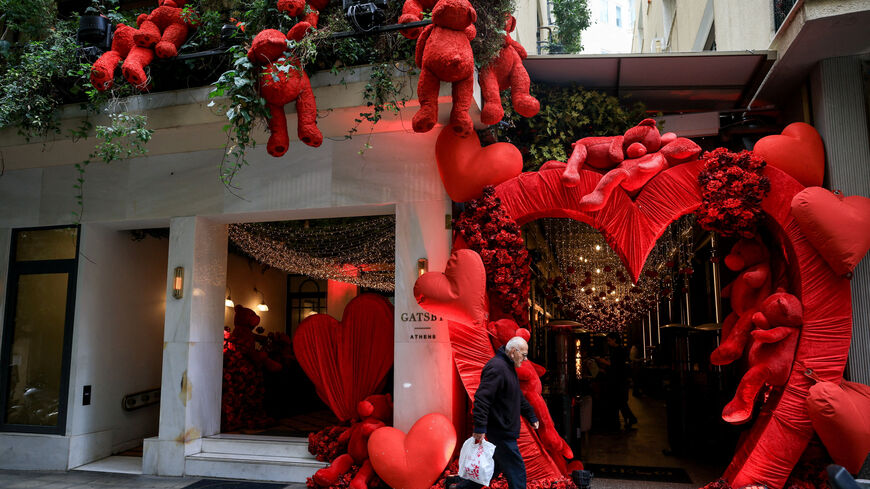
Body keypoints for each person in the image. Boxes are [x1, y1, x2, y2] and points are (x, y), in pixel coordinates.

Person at [456, 336, 540, 489]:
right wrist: (480, 428)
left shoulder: (507, 367)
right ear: (513, 352)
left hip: (504, 429)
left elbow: (517, 396)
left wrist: (531, 415)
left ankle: (460, 488)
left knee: (490, 468)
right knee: (517, 471)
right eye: (524, 354)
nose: (526, 359)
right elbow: (482, 398)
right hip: (501, 431)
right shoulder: (497, 368)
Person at [601, 332, 637, 430]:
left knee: (619, 402)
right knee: (620, 402)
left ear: (614, 339)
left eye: (609, 340)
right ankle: (628, 419)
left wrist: (602, 361)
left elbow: (614, 365)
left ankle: (628, 419)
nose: (608, 342)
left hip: (618, 380)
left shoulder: (617, 350)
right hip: (620, 379)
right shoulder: (620, 349)